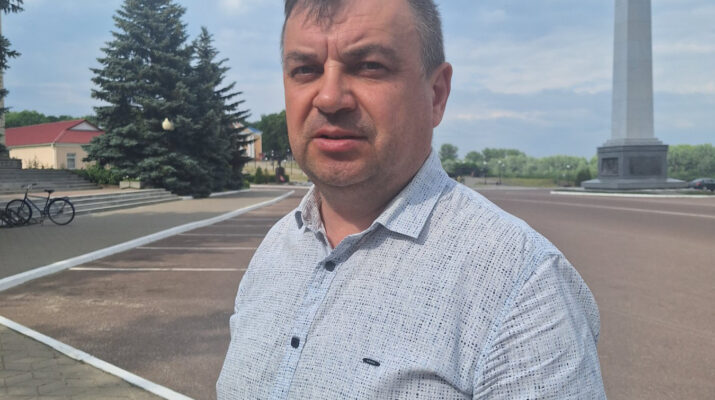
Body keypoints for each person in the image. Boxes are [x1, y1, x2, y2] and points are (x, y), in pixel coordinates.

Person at [217, 0, 606, 398]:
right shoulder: (274, 251)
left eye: (369, 66)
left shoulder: (522, 285)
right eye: (305, 70)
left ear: (436, 94)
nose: (330, 98)